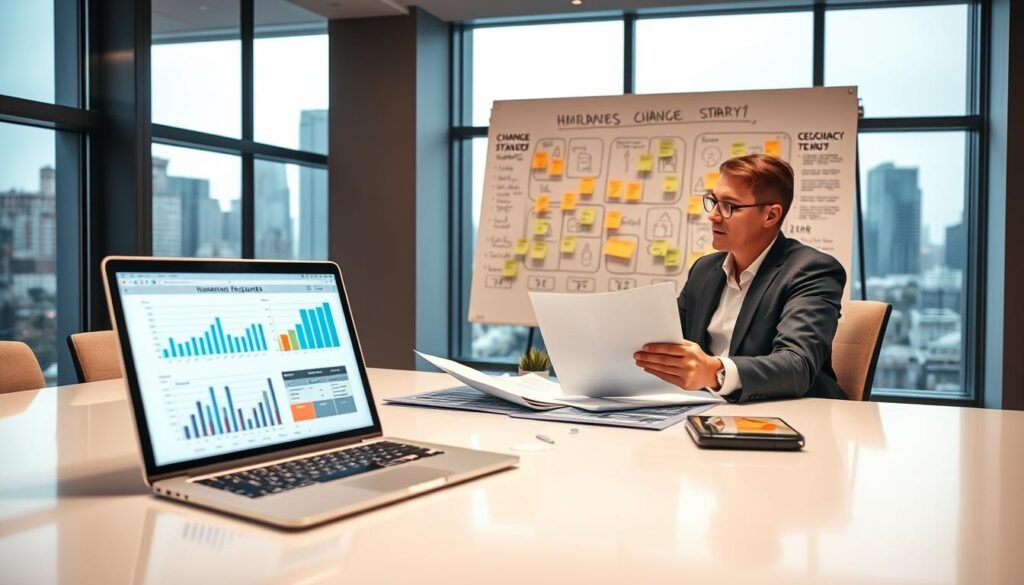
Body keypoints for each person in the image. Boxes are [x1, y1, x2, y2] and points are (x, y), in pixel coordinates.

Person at [633, 153, 847, 402]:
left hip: (788, 417)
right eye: (713, 201)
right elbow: (671, 340)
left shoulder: (812, 270)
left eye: (729, 206)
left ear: (770, 215)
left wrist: (715, 372)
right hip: (706, 410)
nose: (713, 215)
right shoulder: (704, 270)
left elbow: (797, 366)